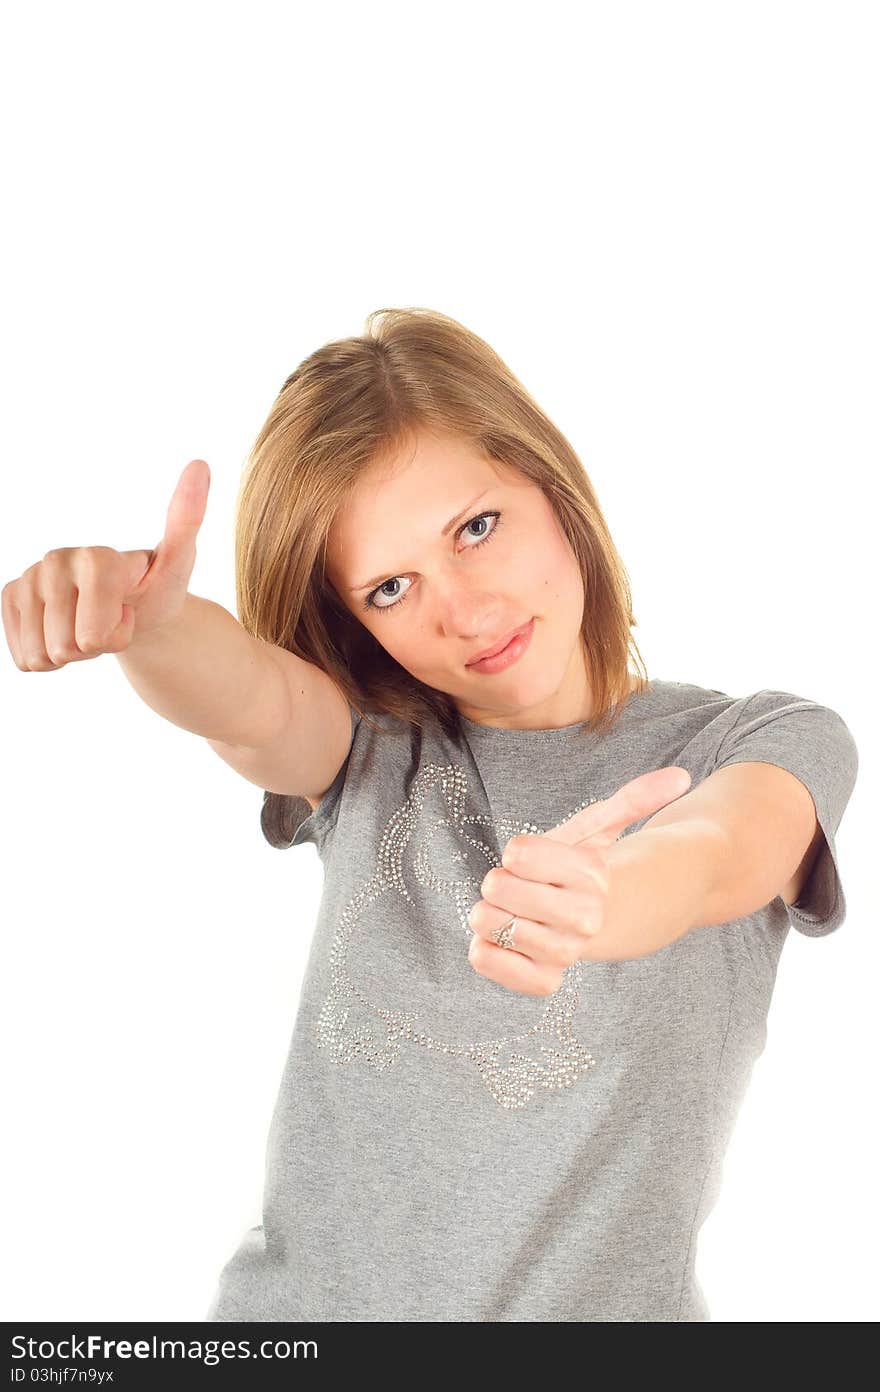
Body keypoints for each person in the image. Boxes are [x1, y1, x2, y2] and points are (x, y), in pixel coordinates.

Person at [2, 307, 858, 1322]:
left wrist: (608, 894)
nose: (461, 608)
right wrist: (151, 625)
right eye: (391, 586)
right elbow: (248, 698)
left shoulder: (760, 737)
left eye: (476, 528)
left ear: (550, 483)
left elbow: (724, 847)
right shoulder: (372, 750)